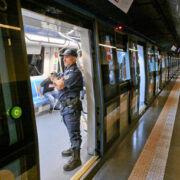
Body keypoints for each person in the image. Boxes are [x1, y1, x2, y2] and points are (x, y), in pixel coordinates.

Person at [53, 49, 83, 171]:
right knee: (71, 132)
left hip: (71, 107)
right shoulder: (67, 71)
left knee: (74, 133)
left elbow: (59, 85)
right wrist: (57, 80)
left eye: (67, 57)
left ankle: (77, 159)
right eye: (64, 57)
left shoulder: (75, 72)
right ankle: (73, 149)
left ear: (74, 58)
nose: (64, 59)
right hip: (66, 107)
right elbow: (57, 82)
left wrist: (55, 80)